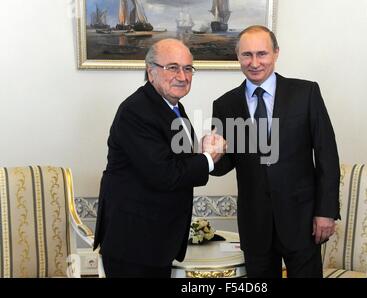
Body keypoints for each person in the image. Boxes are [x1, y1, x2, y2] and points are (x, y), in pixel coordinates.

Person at [210, 26, 340, 278]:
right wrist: (209, 154)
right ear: (238, 56)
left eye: (262, 54)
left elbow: (327, 155)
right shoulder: (225, 104)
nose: (255, 62)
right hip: (255, 224)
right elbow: (225, 164)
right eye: (247, 54)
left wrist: (326, 211)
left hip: (302, 220)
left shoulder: (306, 93)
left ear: (276, 53)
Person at [93, 39, 226, 278]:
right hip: (134, 245)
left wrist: (203, 151)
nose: (183, 76)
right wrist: (208, 158)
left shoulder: (173, 107)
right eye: (173, 67)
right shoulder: (136, 111)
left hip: (157, 242)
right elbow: (165, 175)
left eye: (188, 68)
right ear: (150, 71)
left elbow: (176, 161)